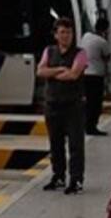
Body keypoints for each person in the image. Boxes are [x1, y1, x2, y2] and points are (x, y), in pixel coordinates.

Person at [37, 17, 88, 194]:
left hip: (73, 106)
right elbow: (40, 71)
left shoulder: (80, 53)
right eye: (62, 32)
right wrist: (59, 70)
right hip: (52, 105)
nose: (66, 36)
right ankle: (58, 176)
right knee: (55, 143)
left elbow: (73, 74)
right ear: (56, 35)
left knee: (76, 144)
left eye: (69, 32)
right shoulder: (49, 51)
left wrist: (51, 72)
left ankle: (76, 179)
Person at [79, 16, 111, 136]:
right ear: (106, 29)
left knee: (87, 101)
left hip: (84, 73)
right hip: (96, 75)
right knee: (95, 102)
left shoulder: (86, 36)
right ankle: (92, 126)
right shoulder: (102, 42)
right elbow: (107, 57)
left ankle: (85, 125)